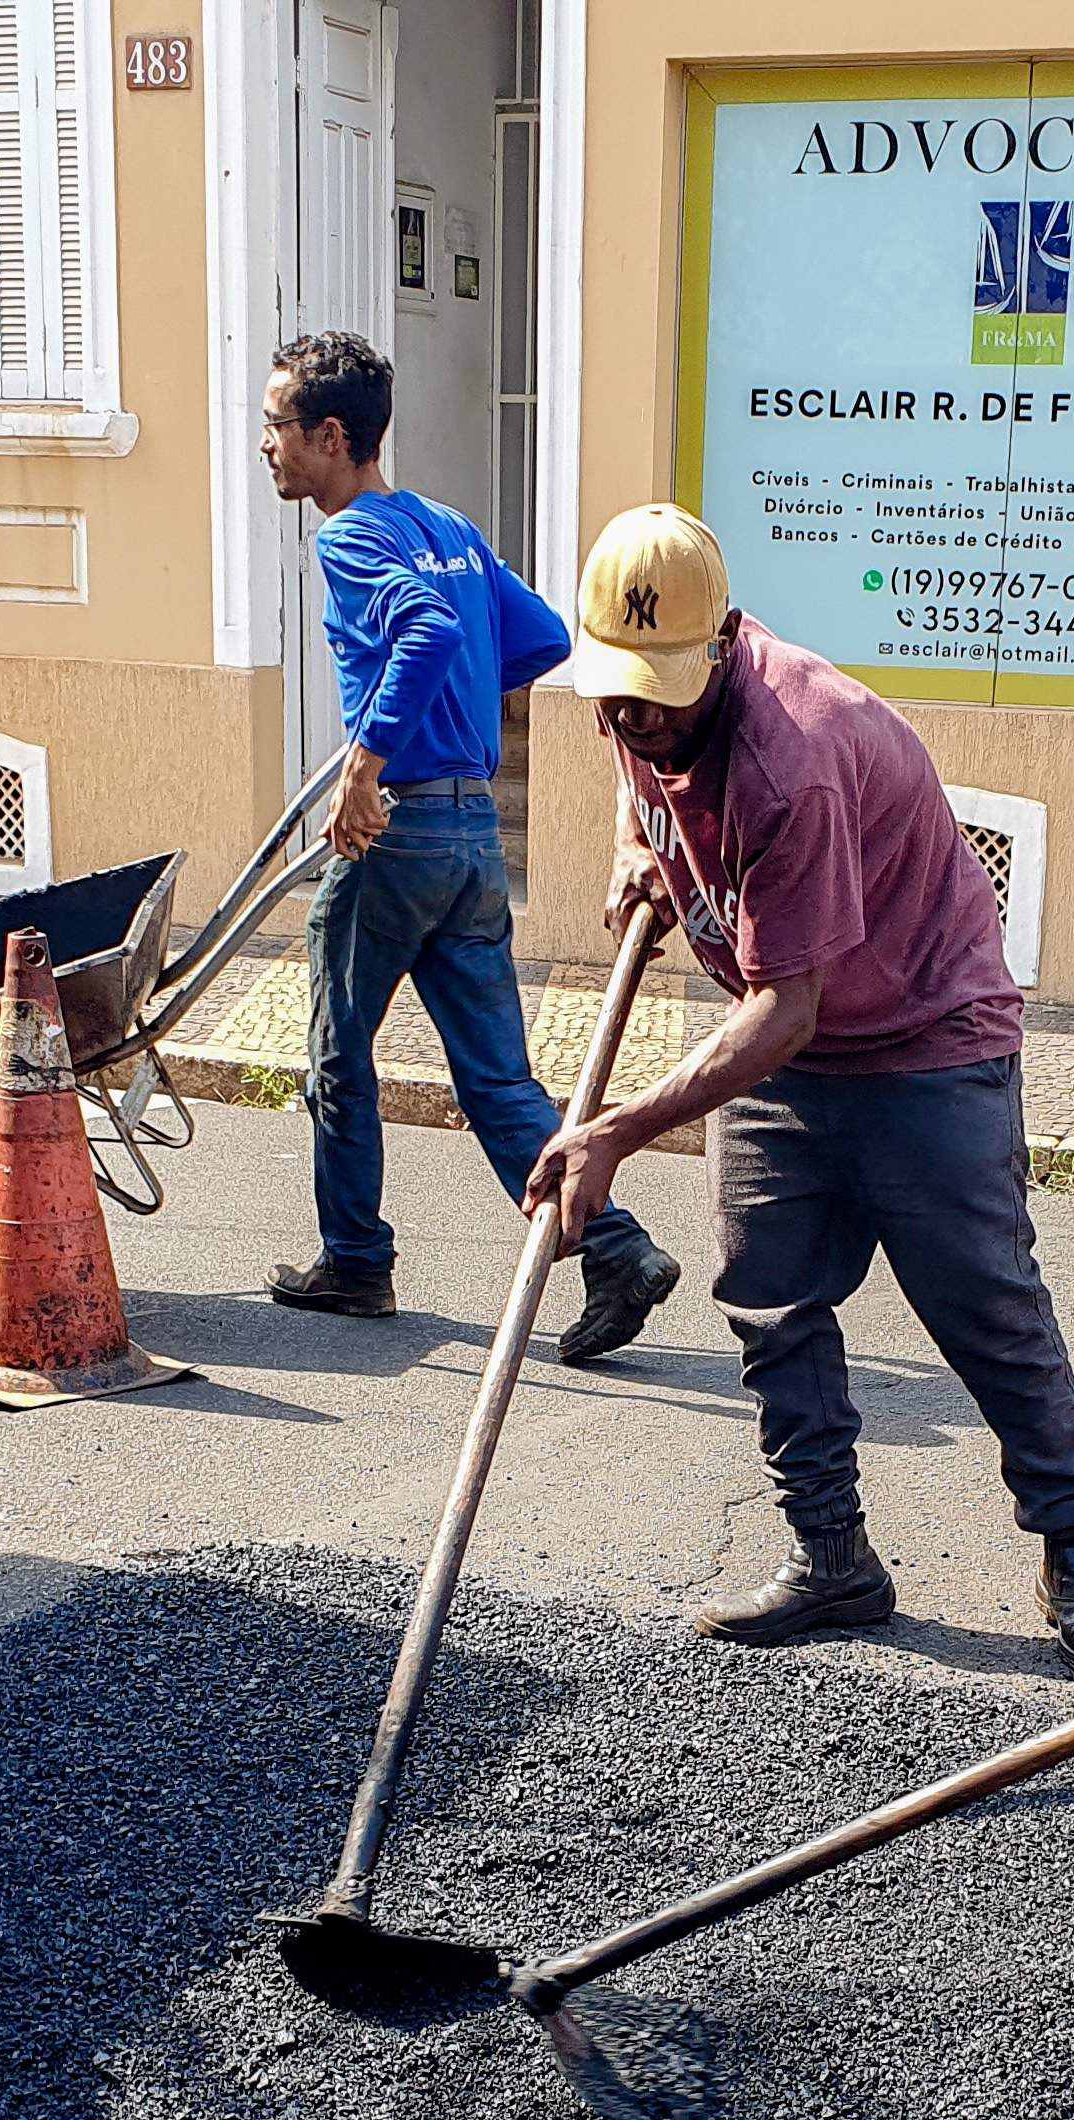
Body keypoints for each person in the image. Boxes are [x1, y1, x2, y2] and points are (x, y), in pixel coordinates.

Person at [520, 505, 1074, 1680]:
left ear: (722, 643)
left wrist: (613, 1133)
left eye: (658, 691)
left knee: (986, 1309)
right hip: (788, 1036)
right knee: (767, 1300)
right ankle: (833, 1558)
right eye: (616, 692)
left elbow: (783, 1012)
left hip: (922, 1039)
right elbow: (638, 771)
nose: (634, 717)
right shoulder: (634, 701)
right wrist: (633, 844)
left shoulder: (790, 757)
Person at [253, 331, 681, 1362]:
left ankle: (355, 1260)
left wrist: (367, 763)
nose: (265, 445)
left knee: (337, 1054)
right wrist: (449, 724)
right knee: (496, 1078)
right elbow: (537, 638)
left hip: (396, 834)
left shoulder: (351, 535)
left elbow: (432, 636)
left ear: (330, 435)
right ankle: (615, 1247)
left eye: (276, 426)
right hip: (472, 835)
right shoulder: (443, 524)